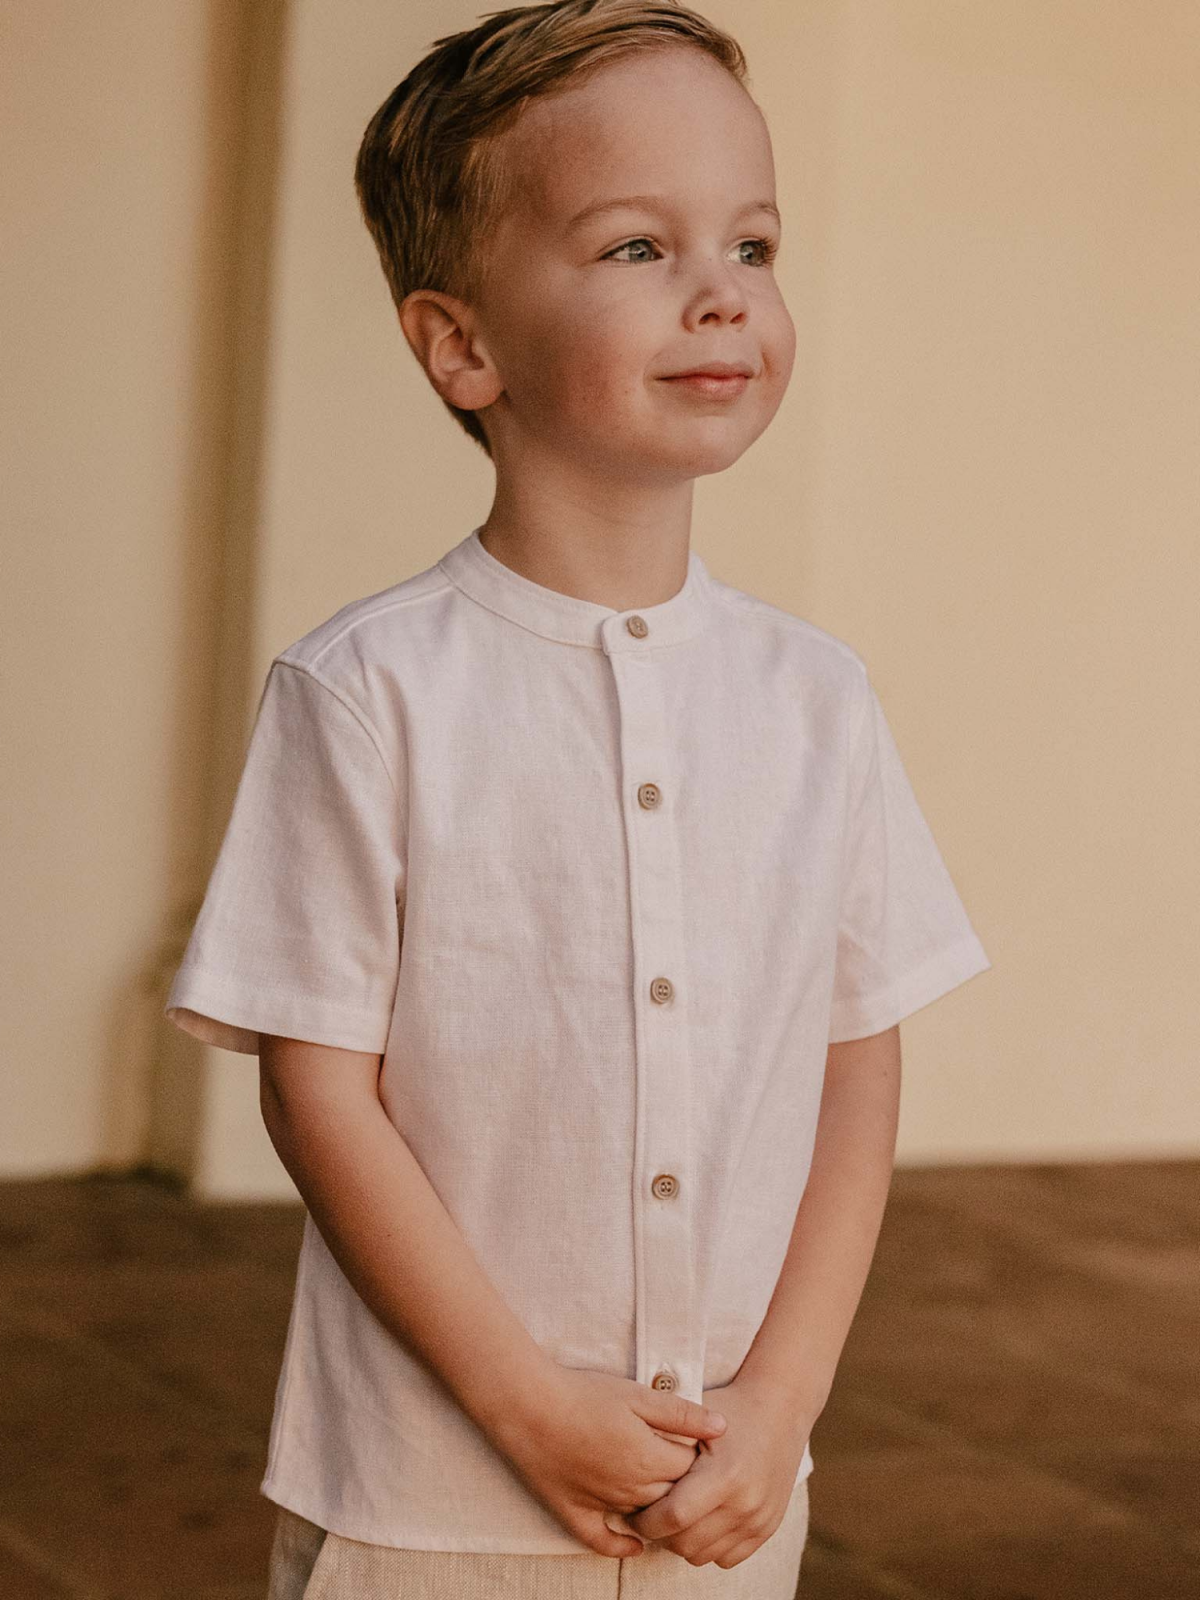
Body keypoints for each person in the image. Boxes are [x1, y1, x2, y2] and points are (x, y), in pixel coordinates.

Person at [164, 2, 992, 1595]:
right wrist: (523, 1404)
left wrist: (783, 1403)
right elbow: (316, 1090)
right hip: (427, 1502)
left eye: (754, 243)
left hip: (727, 1497)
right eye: (635, 247)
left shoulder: (817, 701)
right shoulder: (368, 692)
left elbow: (855, 1066)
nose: (720, 294)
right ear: (460, 342)